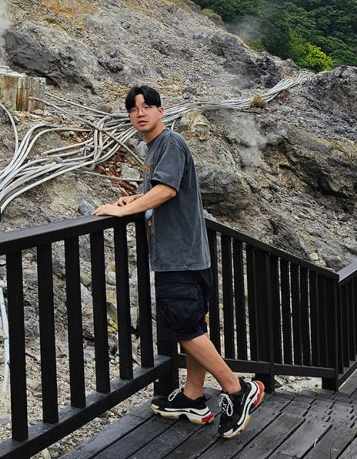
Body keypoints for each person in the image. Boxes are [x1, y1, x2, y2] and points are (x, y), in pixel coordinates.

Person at [93, 85, 264, 439]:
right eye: (133, 108)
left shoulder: (169, 142)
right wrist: (136, 200)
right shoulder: (155, 148)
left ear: (161, 110)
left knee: (185, 330)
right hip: (189, 255)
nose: (140, 112)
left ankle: (237, 389)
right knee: (193, 327)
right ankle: (193, 396)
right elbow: (164, 191)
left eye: (147, 106)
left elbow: (167, 190)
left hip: (179, 258)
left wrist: (119, 210)